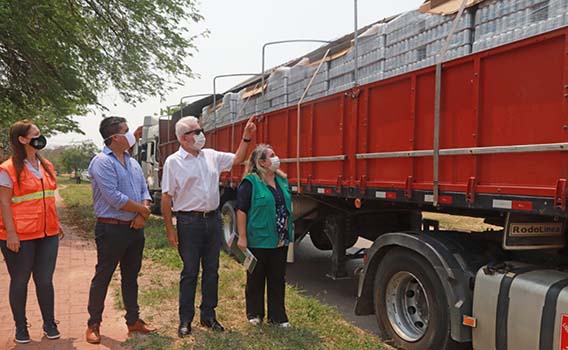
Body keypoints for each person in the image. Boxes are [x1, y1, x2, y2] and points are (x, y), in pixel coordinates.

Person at [161, 115, 256, 337]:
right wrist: (170, 229)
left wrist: (246, 137)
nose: (201, 135)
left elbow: (239, 159)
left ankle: (209, 315)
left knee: (212, 271)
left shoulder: (211, 156)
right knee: (190, 272)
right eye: (196, 131)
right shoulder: (174, 162)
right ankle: (185, 320)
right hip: (189, 222)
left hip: (212, 220)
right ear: (184, 138)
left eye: (200, 130)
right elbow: (166, 198)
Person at [85, 116, 155, 344]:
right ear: (114, 137)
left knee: (131, 276)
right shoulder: (101, 162)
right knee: (103, 276)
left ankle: (133, 320)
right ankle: (93, 324)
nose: (131, 135)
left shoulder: (132, 162)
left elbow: (145, 190)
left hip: (135, 229)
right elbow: (114, 198)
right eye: (126, 131)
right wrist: (143, 212)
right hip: (111, 229)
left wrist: (142, 214)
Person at [0, 120, 64, 344]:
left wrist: (56, 224)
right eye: (35, 134)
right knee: (20, 280)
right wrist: (11, 234)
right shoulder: (7, 169)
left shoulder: (46, 165)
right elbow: (5, 204)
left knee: (45, 280)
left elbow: (46, 199)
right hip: (20, 236)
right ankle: (20, 327)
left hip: (48, 234)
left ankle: (49, 323)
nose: (40, 137)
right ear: (22, 139)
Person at [236, 144, 293, 328]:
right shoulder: (251, 182)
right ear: (261, 162)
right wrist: (242, 237)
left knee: (277, 278)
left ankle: (278, 316)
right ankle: (255, 313)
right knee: (256, 278)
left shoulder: (281, 180)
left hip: (280, 239)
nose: (276, 158)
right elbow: (242, 210)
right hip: (258, 239)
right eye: (272, 155)